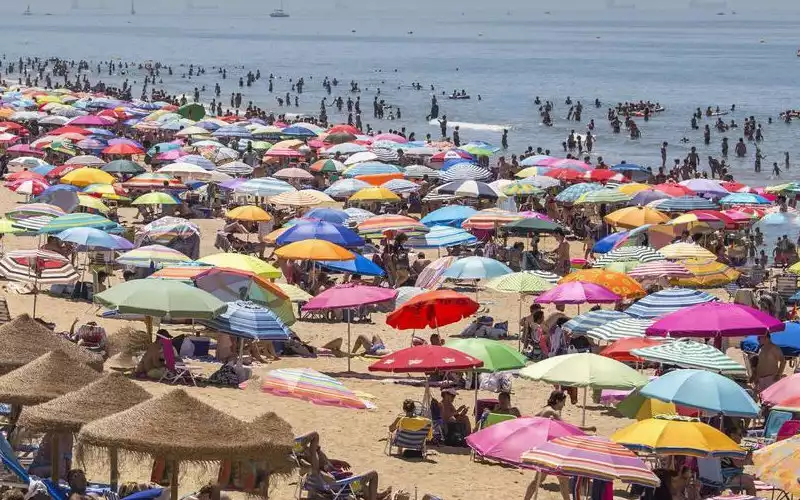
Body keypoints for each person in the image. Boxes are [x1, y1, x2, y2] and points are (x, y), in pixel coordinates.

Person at [721, 425, 757, 496]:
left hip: (721, 475)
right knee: (750, 483)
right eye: (740, 435)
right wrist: (750, 453)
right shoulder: (731, 447)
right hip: (726, 477)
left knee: (745, 479)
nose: (742, 437)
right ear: (732, 435)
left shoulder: (724, 445)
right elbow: (739, 464)